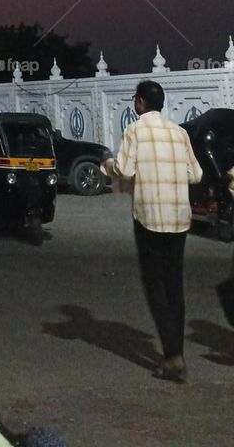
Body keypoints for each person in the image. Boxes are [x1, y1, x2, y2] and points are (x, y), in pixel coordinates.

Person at [101, 80, 203, 382]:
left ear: (140, 103)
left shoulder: (135, 130)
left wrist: (106, 164)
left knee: (153, 283)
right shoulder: (179, 132)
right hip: (178, 217)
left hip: (149, 217)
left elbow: (125, 170)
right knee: (175, 283)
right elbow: (195, 174)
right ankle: (176, 352)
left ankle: (173, 356)